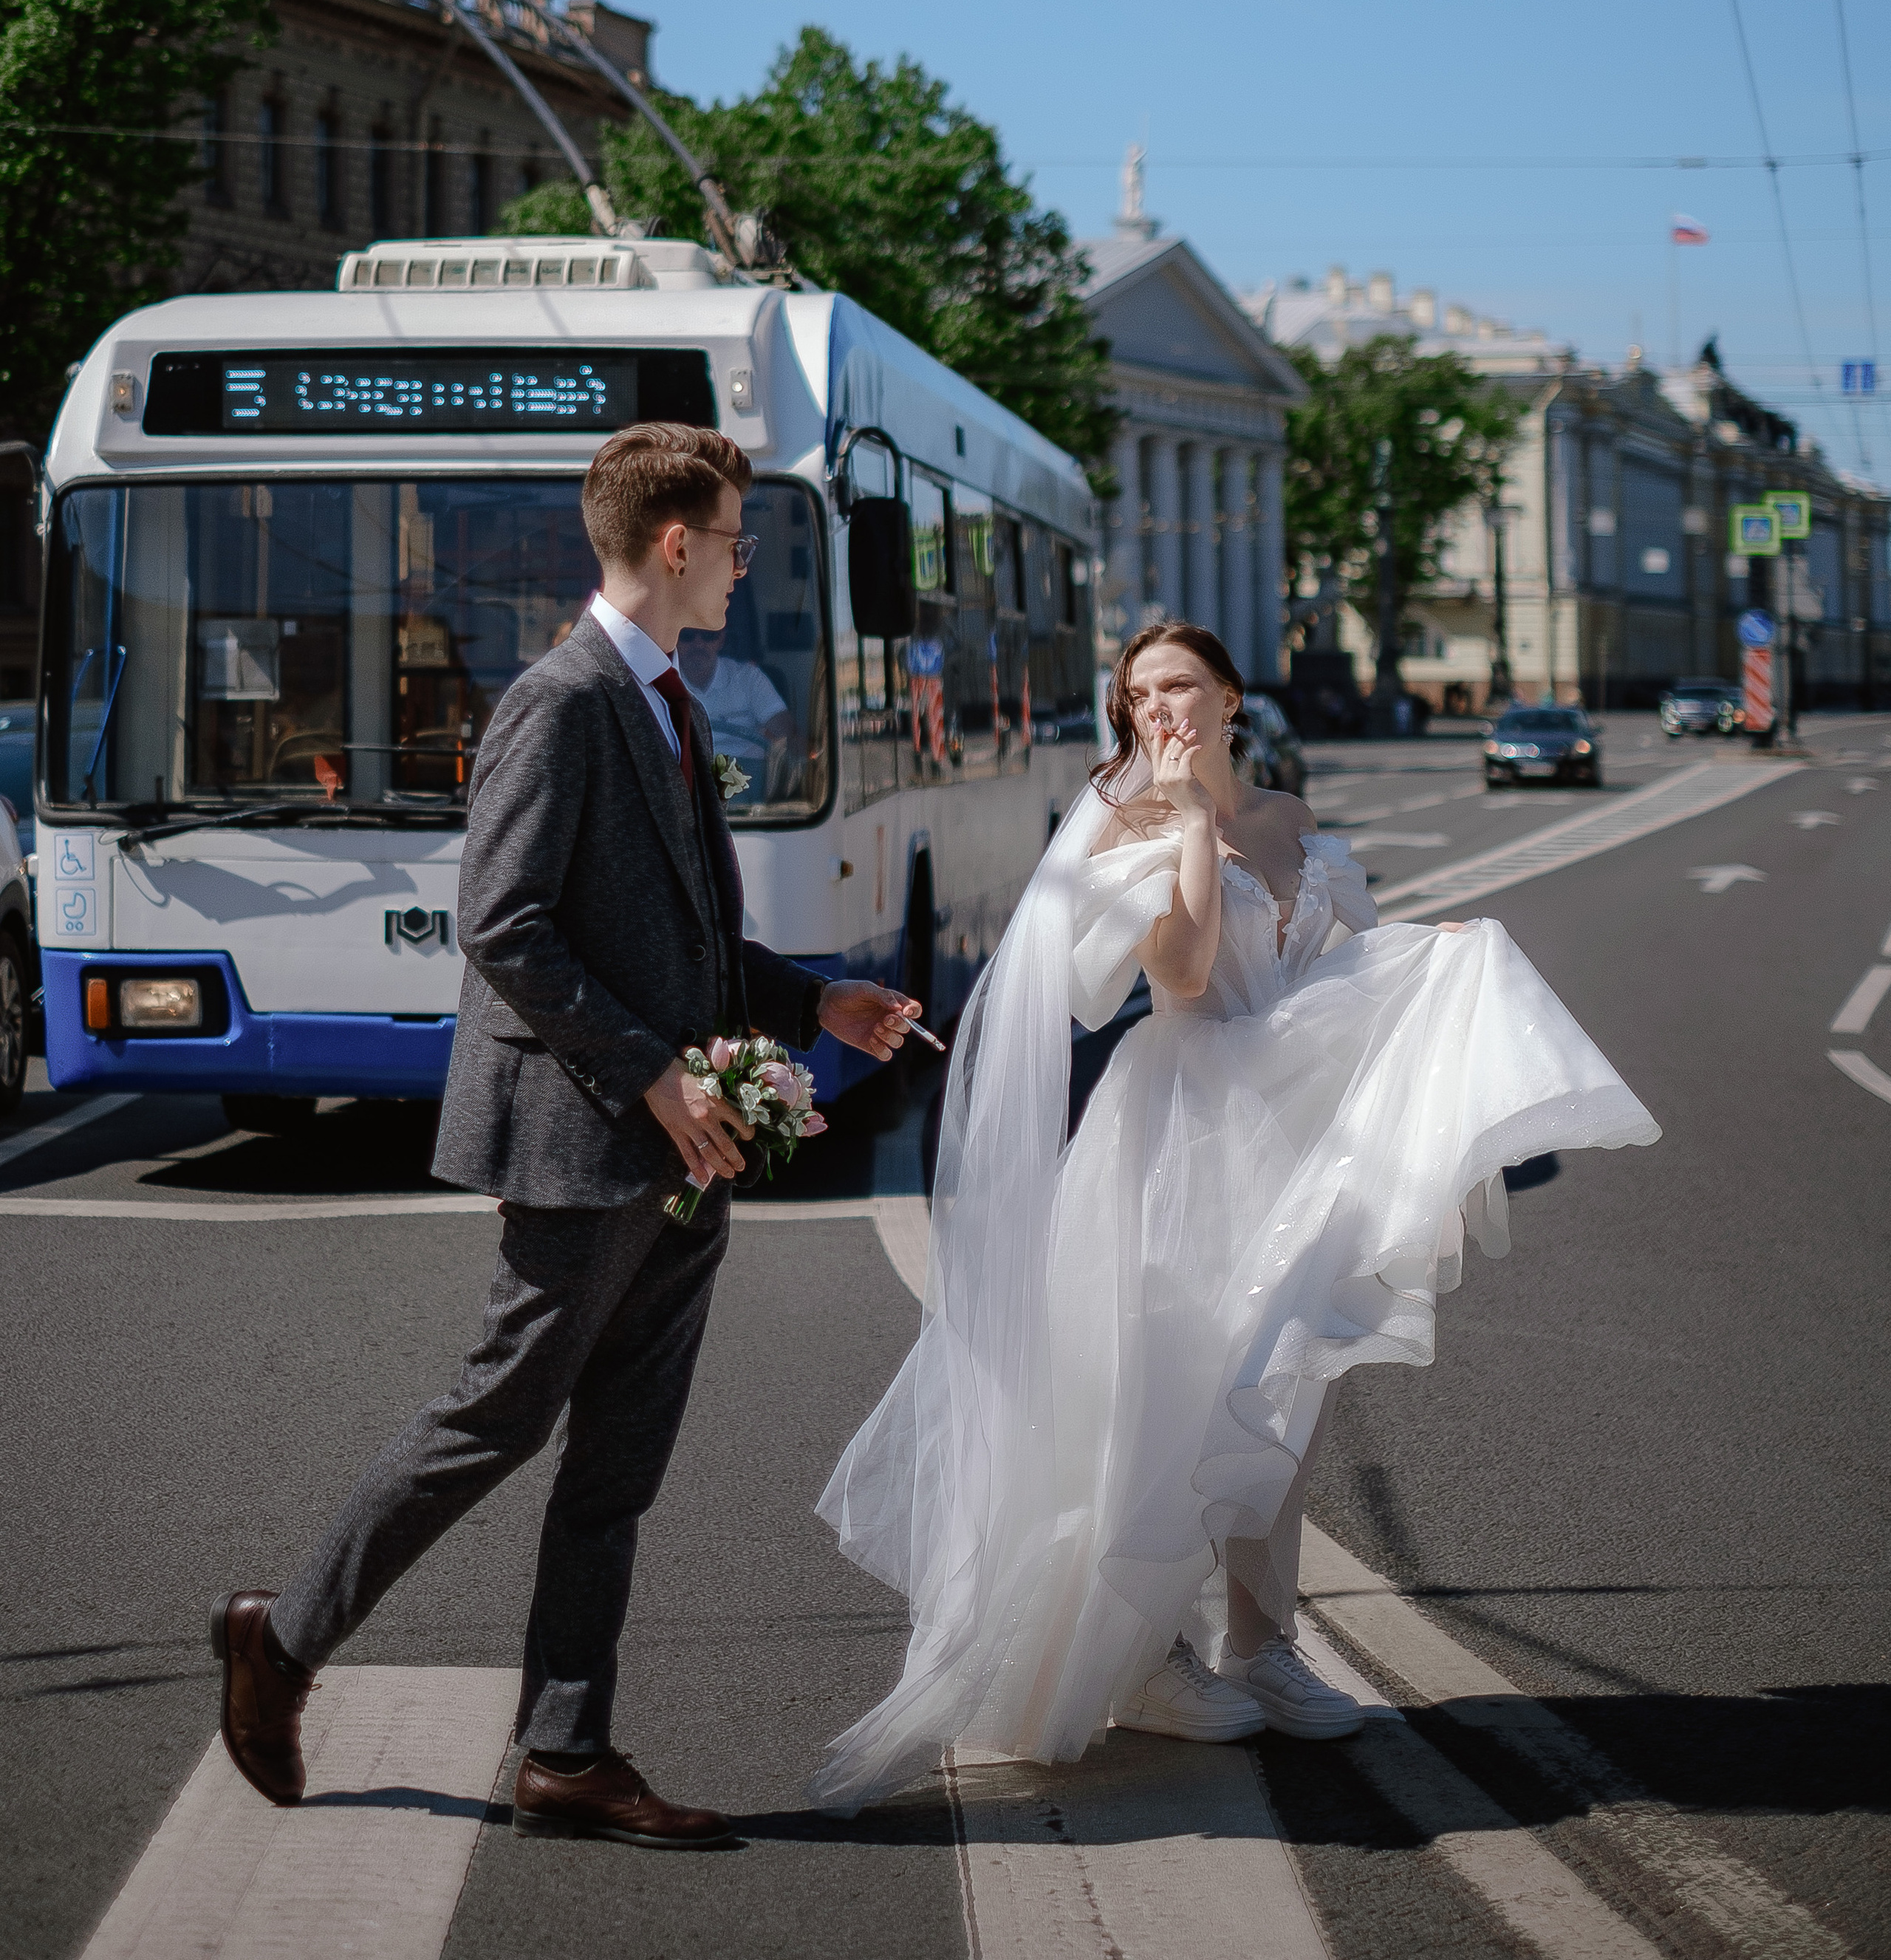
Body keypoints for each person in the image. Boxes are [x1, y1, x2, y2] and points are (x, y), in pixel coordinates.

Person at [212, 422, 921, 1848]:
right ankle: (279, 1645)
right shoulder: (564, 699)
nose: (742, 561)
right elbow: (506, 926)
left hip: (683, 1149)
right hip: (587, 1135)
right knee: (497, 1417)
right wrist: (658, 1075)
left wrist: (812, 997)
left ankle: (566, 1752)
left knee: (617, 1470)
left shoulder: (664, 696)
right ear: (674, 544)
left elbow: (690, 933)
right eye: (733, 538)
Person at [810, 621, 1660, 1809]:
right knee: (1154, 1393)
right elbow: (1190, 977)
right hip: (1178, 1134)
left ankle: (1261, 1646)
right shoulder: (1120, 828)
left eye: (1182, 687)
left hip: (1296, 1134)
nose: (1160, 708)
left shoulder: (1293, 815)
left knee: (1283, 1383)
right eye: (1140, 693)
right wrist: (1192, 828)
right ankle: (1146, 1654)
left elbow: (1345, 963)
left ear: (1228, 698)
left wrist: (1434, 952)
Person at [677, 623, 794, 772]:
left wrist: (798, 746)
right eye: (687, 635)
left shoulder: (749, 678)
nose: (698, 643)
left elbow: (785, 730)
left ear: (722, 639)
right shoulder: (660, 684)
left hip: (749, 780)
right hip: (688, 778)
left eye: (709, 635)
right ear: (675, 638)